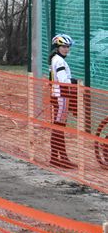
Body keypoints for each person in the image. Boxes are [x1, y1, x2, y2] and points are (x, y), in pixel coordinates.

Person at [48, 33, 78, 169]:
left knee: (58, 127)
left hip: (57, 95)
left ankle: (57, 158)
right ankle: (59, 158)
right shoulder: (59, 61)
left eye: (67, 47)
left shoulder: (55, 59)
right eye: (64, 46)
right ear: (57, 47)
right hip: (62, 96)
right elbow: (63, 81)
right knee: (59, 127)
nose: (66, 49)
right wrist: (74, 81)